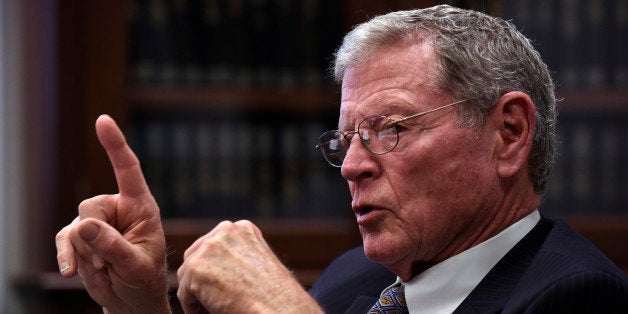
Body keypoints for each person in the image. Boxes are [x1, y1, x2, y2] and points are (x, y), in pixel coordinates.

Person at [55, 4, 628, 313]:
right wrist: (141, 308)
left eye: (390, 130)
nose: (352, 166)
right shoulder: (354, 279)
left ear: (508, 133)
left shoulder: (577, 295)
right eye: (344, 140)